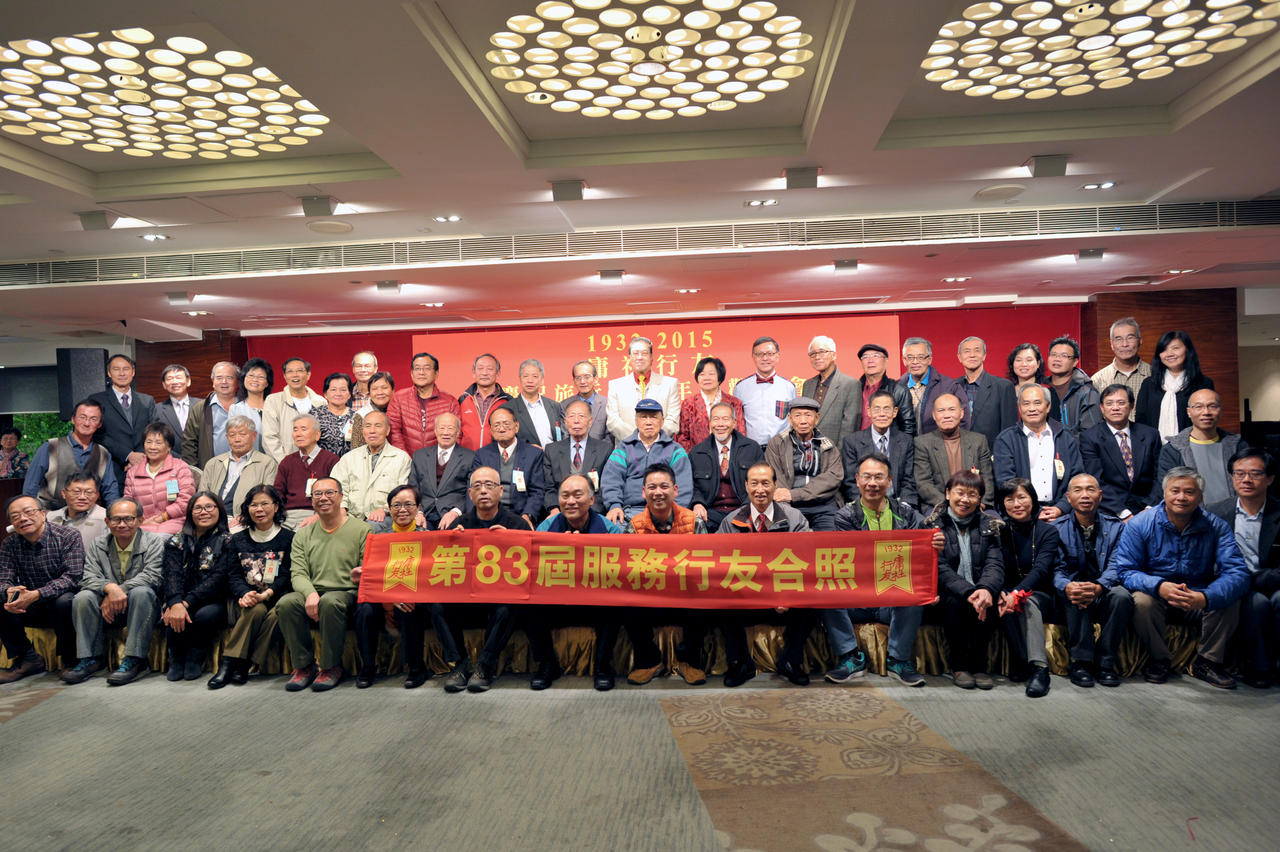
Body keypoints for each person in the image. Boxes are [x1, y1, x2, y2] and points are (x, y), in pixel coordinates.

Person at [1115, 466, 1250, 689]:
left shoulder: (1215, 526)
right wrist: (1159, 586)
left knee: (1229, 597)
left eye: (1189, 492)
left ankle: (1207, 662)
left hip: (1197, 595)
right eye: (1175, 490)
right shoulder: (1140, 523)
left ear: (1200, 497)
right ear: (1164, 493)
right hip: (1157, 595)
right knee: (1141, 601)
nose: (1181, 497)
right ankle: (1159, 660)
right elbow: (1126, 571)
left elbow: (1237, 573)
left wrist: (1205, 597)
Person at [824, 453, 939, 689]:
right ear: (857, 480)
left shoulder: (906, 513)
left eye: (879, 477)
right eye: (867, 477)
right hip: (858, 597)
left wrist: (935, 542)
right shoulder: (844, 516)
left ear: (889, 481)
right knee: (825, 594)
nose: (872, 483)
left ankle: (898, 661)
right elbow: (856, 560)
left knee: (913, 594)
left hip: (893, 596)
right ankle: (850, 657)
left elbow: (920, 553)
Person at [714, 461, 813, 687]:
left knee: (812, 600)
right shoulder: (730, 521)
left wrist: (787, 596)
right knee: (720, 601)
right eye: (755, 483)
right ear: (746, 486)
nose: (760, 489)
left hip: (783, 601)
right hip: (745, 599)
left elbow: (807, 563)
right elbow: (719, 566)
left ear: (775, 485)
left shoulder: (794, 518)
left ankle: (791, 661)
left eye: (766, 483)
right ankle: (740, 663)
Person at [438, 467, 533, 693]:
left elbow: (529, 571)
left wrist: (510, 541)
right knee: (436, 604)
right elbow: (443, 567)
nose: (483, 491)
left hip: (500, 599)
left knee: (510, 606)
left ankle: (484, 666)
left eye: (489, 485)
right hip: (467, 598)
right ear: (470, 494)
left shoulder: (517, 525)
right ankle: (460, 664)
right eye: (477, 486)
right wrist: (453, 542)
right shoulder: (459, 525)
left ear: (501, 491)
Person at [276, 476, 370, 692]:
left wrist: (361, 573)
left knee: (330, 602)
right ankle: (304, 666)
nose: (323, 498)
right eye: (317, 494)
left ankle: (330, 666)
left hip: (346, 592)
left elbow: (367, 569)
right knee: (287, 603)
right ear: (311, 500)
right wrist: (310, 593)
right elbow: (298, 573)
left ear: (341, 497)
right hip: (314, 591)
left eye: (329, 493)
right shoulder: (303, 534)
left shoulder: (362, 530)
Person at [619, 463, 709, 686]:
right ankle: (649, 662)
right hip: (650, 597)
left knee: (705, 598)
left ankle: (689, 662)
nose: (658, 492)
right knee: (624, 602)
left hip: (685, 595)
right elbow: (628, 570)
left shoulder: (694, 522)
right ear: (643, 492)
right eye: (652, 487)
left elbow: (705, 566)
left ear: (675, 490)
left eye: (664, 486)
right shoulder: (634, 526)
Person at [535, 474, 624, 690]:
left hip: (594, 602)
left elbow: (620, 569)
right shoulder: (546, 528)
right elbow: (534, 567)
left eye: (577, 495)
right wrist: (558, 548)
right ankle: (547, 665)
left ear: (592, 499)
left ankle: (603, 667)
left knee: (615, 604)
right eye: (565, 496)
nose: (571, 501)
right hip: (558, 601)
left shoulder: (610, 529)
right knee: (527, 606)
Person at [66, 497, 164, 686]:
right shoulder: (98, 544)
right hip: (108, 607)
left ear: (140, 520)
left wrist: (119, 591)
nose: (122, 524)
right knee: (83, 597)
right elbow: (88, 577)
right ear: (107, 521)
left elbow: (153, 576)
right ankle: (90, 658)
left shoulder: (153, 542)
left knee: (142, 592)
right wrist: (109, 588)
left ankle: (135, 659)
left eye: (128, 519)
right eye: (116, 519)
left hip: (141, 605)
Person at [923, 470, 1004, 690]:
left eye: (972, 494)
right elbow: (939, 568)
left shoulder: (990, 525)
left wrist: (985, 588)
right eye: (960, 493)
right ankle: (959, 666)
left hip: (979, 586)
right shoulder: (932, 525)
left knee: (989, 599)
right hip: (947, 591)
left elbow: (995, 564)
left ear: (980, 499)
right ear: (948, 493)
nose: (965, 499)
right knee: (956, 602)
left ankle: (979, 667)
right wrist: (968, 591)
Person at [1053, 473, 1134, 689]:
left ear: (1100, 495)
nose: (1085, 495)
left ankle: (1105, 663)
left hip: (1104, 590)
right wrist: (1067, 585)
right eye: (1078, 490)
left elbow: (1118, 564)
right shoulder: (1056, 528)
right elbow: (1055, 569)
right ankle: (1081, 663)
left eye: (1090, 489)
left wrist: (1099, 586)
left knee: (1122, 596)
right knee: (1075, 593)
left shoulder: (1116, 527)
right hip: (1072, 592)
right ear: (1068, 497)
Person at [1208, 448, 1280, 689]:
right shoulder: (1215, 512)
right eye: (1239, 474)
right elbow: (1208, 559)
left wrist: (1252, 579)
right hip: (1233, 584)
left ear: (1270, 479)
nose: (1246, 480)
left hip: (1273, 581)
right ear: (1232, 478)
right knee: (1256, 603)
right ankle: (1258, 668)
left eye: (1255, 474)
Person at [213, 484, 293, 689]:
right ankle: (231, 664)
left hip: (276, 595)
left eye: (265, 504)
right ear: (247, 508)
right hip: (246, 598)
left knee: (278, 614)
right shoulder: (237, 539)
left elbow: (286, 575)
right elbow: (233, 575)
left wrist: (267, 593)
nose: (259, 509)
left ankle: (242, 663)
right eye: (253, 505)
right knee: (255, 609)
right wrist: (246, 593)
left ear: (276, 506)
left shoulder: (288, 538)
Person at [352, 485, 431, 689]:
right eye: (396, 505)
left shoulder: (428, 538)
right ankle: (368, 667)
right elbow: (373, 575)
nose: (402, 510)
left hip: (415, 596)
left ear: (418, 508)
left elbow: (429, 576)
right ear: (389, 508)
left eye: (408, 504)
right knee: (364, 609)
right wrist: (361, 575)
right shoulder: (378, 539)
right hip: (384, 597)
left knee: (410, 607)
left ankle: (416, 668)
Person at [0, 494, 84, 683]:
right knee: (2, 600)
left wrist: (37, 594)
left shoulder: (68, 536)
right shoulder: (9, 544)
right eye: (15, 516)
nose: (23, 519)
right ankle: (28, 659)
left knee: (64, 601)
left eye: (28, 512)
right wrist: (9, 592)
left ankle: (71, 660)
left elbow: (73, 577)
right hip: (29, 603)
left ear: (43, 514)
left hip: (60, 600)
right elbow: (4, 578)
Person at [994, 478, 1061, 698]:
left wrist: (1017, 593)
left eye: (1022, 497)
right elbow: (995, 566)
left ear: (1032, 499)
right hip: (1008, 592)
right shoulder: (998, 532)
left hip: (1041, 595)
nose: (1016, 504)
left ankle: (1039, 669)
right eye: (1009, 499)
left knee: (1027, 601)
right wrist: (1002, 591)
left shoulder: (1048, 532)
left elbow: (1041, 570)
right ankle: (1020, 660)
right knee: (1000, 601)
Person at [159, 492, 231, 682]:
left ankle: (195, 656)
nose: (203, 512)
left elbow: (218, 579)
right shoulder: (176, 540)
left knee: (203, 615)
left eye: (209, 507)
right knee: (171, 611)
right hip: (181, 597)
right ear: (190, 512)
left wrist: (185, 603)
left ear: (219, 510)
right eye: (198, 508)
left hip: (213, 599)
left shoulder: (227, 541)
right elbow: (171, 574)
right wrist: (175, 601)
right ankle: (176, 658)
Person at [993, 384, 1085, 519]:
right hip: (1022, 515)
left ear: (1048, 406)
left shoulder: (1065, 437)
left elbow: (1077, 478)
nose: (1032, 409)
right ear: (1019, 408)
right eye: (1026, 404)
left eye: (1037, 403)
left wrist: (1061, 508)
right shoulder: (1006, 439)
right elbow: (1005, 481)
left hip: (1063, 515)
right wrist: (1034, 511)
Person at [602, 398, 693, 524]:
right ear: (636, 421)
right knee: (614, 528)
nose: (648, 422)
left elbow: (684, 485)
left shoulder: (675, 450)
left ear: (662, 421)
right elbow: (611, 480)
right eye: (643, 417)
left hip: (666, 511)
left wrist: (675, 512)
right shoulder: (623, 449)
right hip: (630, 511)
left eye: (654, 417)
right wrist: (614, 505)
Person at [1079, 384, 1162, 520]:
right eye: (1109, 403)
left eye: (1121, 403)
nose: (1115, 408)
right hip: (1110, 511)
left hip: (1148, 510)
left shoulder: (1150, 435)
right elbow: (1096, 480)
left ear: (1131, 406)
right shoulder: (1090, 438)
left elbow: (1160, 476)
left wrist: (1149, 508)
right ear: (1102, 408)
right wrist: (1123, 513)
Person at [1156, 389, 1246, 508]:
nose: (1206, 412)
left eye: (1212, 406)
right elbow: (1169, 491)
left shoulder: (1238, 446)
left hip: (1234, 514)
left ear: (1221, 410)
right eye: (1199, 407)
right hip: (1192, 516)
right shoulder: (1172, 450)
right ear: (1189, 412)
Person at [764, 397, 843, 531]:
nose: (803, 421)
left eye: (808, 415)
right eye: (798, 415)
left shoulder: (828, 445)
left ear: (817, 418)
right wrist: (786, 503)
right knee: (786, 535)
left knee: (831, 538)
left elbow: (833, 478)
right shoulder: (777, 444)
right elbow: (776, 478)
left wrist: (795, 494)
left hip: (823, 504)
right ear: (790, 419)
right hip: (788, 504)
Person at [23, 399, 120, 508]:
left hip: (89, 513)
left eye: (93, 419)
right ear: (73, 419)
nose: (87, 423)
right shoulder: (50, 447)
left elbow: (110, 490)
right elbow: (31, 486)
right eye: (82, 417)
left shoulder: (103, 453)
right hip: (51, 513)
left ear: (99, 424)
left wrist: (115, 512)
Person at [690, 401, 765, 530]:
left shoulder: (752, 448)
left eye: (725, 419)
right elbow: (692, 486)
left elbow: (762, 482)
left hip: (744, 509)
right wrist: (697, 503)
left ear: (734, 423)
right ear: (710, 423)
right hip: (710, 512)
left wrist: (748, 507)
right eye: (716, 419)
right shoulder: (697, 452)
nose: (720, 424)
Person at [470, 405, 548, 529]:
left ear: (516, 426)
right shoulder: (482, 455)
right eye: (496, 425)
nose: (501, 429)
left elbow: (537, 492)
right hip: (489, 515)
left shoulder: (533, 454)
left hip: (520, 515)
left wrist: (527, 516)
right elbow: (474, 489)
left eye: (506, 424)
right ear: (491, 430)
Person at [329, 410, 412, 523]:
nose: (372, 430)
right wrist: (342, 508)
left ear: (387, 430)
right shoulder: (349, 458)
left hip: (387, 517)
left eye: (378, 426)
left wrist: (385, 509)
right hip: (351, 516)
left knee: (372, 526)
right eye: (368, 426)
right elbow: (336, 487)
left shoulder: (401, 458)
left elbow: (403, 493)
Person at [914, 393, 994, 510]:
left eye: (952, 409)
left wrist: (979, 503)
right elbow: (923, 483)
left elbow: (987, 478)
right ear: (934, 415)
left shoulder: (978, 441)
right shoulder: (923, 443)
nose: (947, 415)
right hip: (938, 505)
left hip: (974, 505)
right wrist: (949, 505)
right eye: (941, 410)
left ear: (961, 413)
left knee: (994, 520)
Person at [88, 353, 157, 485]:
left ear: (133, 372)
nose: (122, 373)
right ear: (109, 373)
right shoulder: (97, 400)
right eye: (116, 369)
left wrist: (140, 457)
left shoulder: (147, 401)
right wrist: (128, 455)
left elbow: (154, 432)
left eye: (126, 369)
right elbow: (97, 434)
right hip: (112, 468)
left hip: (146, 466)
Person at [1135, 330, 1215, 442]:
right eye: (1164, 349)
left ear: (1187, 350)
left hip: (1193, 447)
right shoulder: (1149, 384)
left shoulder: (1203, 383)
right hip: (1155, 448)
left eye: (1175, 348)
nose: (1169, 354)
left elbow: (1207, 420)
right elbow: (1141, 420)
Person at [202, 415, 278, 531]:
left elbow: (268, 499)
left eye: (242, 434)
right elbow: (202, 495)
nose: (237, 439)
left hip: (246, 519)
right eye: (232, 435)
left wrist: (246, 516)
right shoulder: (213, 463)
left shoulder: (267, 463)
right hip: (212, 518)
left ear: (254, 436)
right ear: (227, 437)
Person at [842, 389, 917, 506]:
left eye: (886, 409)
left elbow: (908, 480)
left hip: (898, 504)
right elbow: (850, 483)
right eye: (877, 409)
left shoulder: (905, 441)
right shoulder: (852, 442)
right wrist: (865, 505)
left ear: (895, 412)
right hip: (865, 504)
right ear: (869, 411)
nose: (882, 414)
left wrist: (904, 506)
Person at [123, 421, 195, 534]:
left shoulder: (180, 467)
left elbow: (185, 501)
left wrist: (161, 518)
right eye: (149, 442)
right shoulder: (133, 472)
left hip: (175, 521)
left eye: (158, 443)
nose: (152, 447)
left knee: (158, 538)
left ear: (169, 447)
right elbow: (128, 503)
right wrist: (141, 522)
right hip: (143, 524)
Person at [541, 399, 610, 516]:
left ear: (590, 421)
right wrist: (554, 509)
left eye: (581, 416)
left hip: (592, 511)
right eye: (572, 416)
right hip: (561, 511)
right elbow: (549, 487)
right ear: (566, 421)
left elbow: (605, 487)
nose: (576, 421)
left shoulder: (604, 449)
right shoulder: (552, 450)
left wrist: (590, 514)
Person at [271, 414, 340, 529]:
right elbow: (277, 494)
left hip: (318, 514)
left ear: (317, 435)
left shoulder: (331, 460)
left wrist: (319, 515)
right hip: (287, 516)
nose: (298, 434)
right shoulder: (287, 462)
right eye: (295, 430)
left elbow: (335, 496)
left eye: (303, 429)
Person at [408, 412, 475, 529]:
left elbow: (471, 492)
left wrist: (456, 512)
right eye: (442, 428)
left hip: (452, 514)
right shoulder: (420, 456)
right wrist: (418, 512)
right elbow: (412, 488)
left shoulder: (470, 457)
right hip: (424, 513)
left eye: (450, 428)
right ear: (435, 431)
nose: (445, 432)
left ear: (458, 432)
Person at [606, 337, 681, 440]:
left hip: (661, 447)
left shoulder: (669, 384)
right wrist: (637, 440)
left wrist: (653, 439)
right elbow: (613, 422)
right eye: (635, 353)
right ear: (629, 358)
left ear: (651, 357)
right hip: (627, 446)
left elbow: (672, 422)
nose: (640, 357)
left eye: (644, 353)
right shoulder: (616, 385)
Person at [387, 351, 460, 455]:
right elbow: (394, 433)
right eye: (417, 368)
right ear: (412, 374)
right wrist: (405, 459)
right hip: (406, 460)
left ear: (436, 374)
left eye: (427, 368)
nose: (421, 372)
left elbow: (457, 435)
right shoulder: (398, 398)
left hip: (439, 461)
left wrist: (442, 460)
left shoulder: (450, 402)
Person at [897, 337, 970, 436]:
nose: (915, 362)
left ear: (929, 359)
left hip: (938, 444)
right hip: (905, 444)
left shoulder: (949, 386)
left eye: (921, 357)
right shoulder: (896, 389)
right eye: (910, 357)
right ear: (904, 360)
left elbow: (963, 421)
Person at [956, 336, 1018, 450]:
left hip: (991, 453)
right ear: (959, 357)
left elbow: (1009, 429)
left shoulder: (1003, 387)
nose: (972, 355)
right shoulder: (952, 386)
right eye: (967, 351)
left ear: (984, 355)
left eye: (977, 350)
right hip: (958, 453)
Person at [735, 336, 798, 447]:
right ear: (753, 357)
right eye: (760, 354)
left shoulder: (789, 387)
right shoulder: (741, 388)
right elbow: (737, 422)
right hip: (751, 448)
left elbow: (794, 420)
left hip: (782, 448)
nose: (765, 358)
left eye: (770, 354)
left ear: (777, 356)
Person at [800, 335, 862, 448]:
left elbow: (850, 427)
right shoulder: (808, 385)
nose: (817, 357)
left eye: (822, 352)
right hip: (808, 451)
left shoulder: (850, 384)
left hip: (835, 452)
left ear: (834, 355)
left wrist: (837, 455)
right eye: (813, 354)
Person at [675, 356, 746, 451]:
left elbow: (740, 433)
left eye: (711, 374)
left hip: (729, 454)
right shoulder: (688, 404)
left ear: (720, 377)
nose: (706, 378)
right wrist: (693, 456)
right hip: (697, 456)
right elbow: (683, 436)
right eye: (702, 374)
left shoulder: (734, 403)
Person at [261, 357, 325, 461]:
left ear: (308, 375)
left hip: (315, 463)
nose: (295, 375)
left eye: (299, 370)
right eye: (290, 371)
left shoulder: (320, 402)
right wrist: (286, 463)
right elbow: (269, 437)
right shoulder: (273, 401)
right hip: (283, 463)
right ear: (285, 376)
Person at [181, 361, 239, 467]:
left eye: (229, 377)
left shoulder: (247, 406)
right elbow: (189, 444)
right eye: (219, 378)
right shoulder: (199, 408)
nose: (224, 381)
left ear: (237, 381)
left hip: (245, 468)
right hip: (211, 470)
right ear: (213, 382)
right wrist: (198, 473)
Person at [850, 343, 914, 437]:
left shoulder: (899, 390)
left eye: (876, 356)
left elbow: (908, 427)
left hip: (889, 443)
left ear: (886, 361)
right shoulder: (854, 389)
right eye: (865, 357)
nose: (870, 360)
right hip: (858, 443)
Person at [1045, 336, 1101, 436]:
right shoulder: (1041, 388)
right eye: (1054, 354)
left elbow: (1091, 434)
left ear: (1075, 361)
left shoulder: (1087, 392)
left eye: (1064, 356)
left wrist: (1064, 443)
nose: (1057, 359)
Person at [1091, 317, 1150, 408]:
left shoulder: (1155, 374)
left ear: (1140, 341)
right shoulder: (1098, 380)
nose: (1125, 344)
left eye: (1130, 338)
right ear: (1111, 344)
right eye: (1119, 339)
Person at [458, 353, 512, 451]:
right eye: (480, 368)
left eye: (490, 369)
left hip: (497, 457)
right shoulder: (462, 400)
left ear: (498, 374)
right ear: (474, 373)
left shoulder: (508, 401)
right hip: (468, 457)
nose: (484, 373)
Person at [511, 358, 565, 448]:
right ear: (520, 379)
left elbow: (561, 436)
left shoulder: (554, 406)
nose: (530, 380)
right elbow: (502, 440)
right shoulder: (509, 408)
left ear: (542, 380)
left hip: (554, 456)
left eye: (535, 376)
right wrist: (525, 448)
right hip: (525, 456)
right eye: (526, 376)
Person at [46, 472, 108, 548]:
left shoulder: (106, 518)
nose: (82, 497)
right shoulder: (50, 517)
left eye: (89, 492)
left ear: (97, 495)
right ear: (64, 494)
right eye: (76, 492)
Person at [558, 359, 610, 445]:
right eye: (578, 378)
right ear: (574, 381)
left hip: (601, 452)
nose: (582, 381)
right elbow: (565, 435)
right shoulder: (565, 405)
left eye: (587, 377)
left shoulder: (607, 404)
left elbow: (609, 437)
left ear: (595, 379)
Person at [228, 357, 273, 449]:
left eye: (260, 377)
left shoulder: (275, 407)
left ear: (267, 383)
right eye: (251, 375)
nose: (255, 380)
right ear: (244, 379)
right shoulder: (236, 409)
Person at [154, 364, 195, 459]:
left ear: (188, 381)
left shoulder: (202, 405)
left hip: (202, 462)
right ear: (164, 385)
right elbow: (156, 439)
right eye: (170, 378)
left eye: (178, 377)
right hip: (171, 461)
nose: (175, 382)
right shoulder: (156, 410)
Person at [350, 370, 395, 452]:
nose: (380, 392)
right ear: (369, 393)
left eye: (384, 388)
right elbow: (356, 449)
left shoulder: (401, 411)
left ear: (393, 391)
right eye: (374, 389)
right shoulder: (361, 415)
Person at [314, 372, 355, 457]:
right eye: (333, 389)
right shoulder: (315, 415)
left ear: (349, 394)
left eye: (343, 390)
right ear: (325, 394)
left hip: (350, 464)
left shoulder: (356, 416)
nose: (338, 393)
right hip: (322, 463)